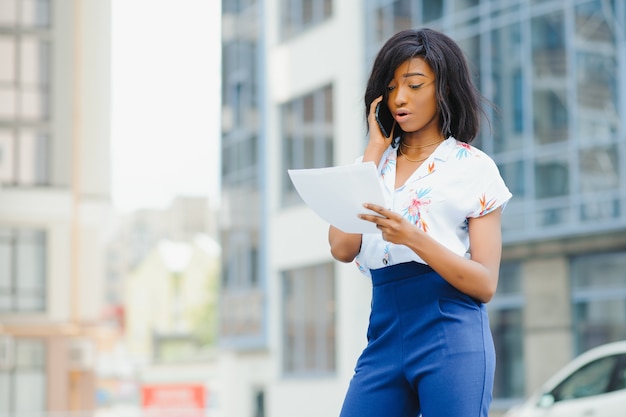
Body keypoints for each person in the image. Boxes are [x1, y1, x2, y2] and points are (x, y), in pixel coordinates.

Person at [329, 28, 512, 417]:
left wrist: (412, 237)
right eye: (391, 87)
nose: (399, 98)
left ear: (443, 89)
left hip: (451, 334)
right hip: (384, 332)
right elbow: (342, 248)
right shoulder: (371, 165)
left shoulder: (474, 168)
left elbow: (485, 283)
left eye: (414, 85)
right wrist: (374, 149)